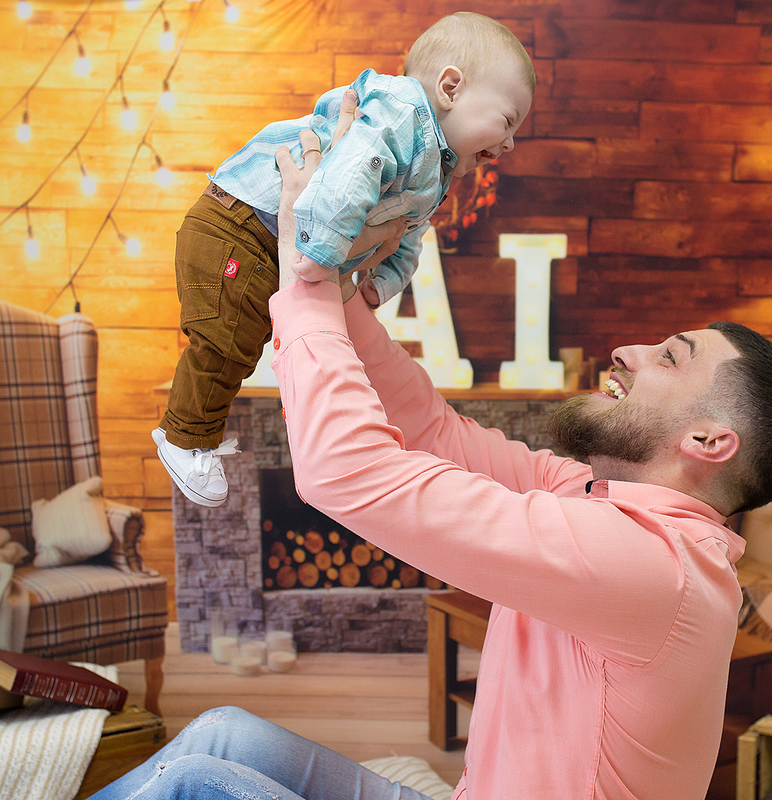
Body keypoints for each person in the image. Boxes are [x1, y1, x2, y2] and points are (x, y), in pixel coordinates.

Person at [101, 109, 772, 800]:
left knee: (194, 788)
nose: (628, 351)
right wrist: (345, 276)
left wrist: (309, 276)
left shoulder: (655, 569)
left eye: (669, 357)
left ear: (708, 443)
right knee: (226, 740)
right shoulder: (586, 497)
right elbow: (433, 432)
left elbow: (349, 474)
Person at [154, 11, 536, 508]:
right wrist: (322, 254)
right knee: (225, 343)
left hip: (268, 239)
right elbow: (348, 176)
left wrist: (383, 281)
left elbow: (408, 231)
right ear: (450, 87)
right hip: (239, 224)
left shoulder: (433, 169)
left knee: (242, 346)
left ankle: (194, 433)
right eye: (507, 122)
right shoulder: (400, 114)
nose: (508, 144)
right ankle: (185, 437)